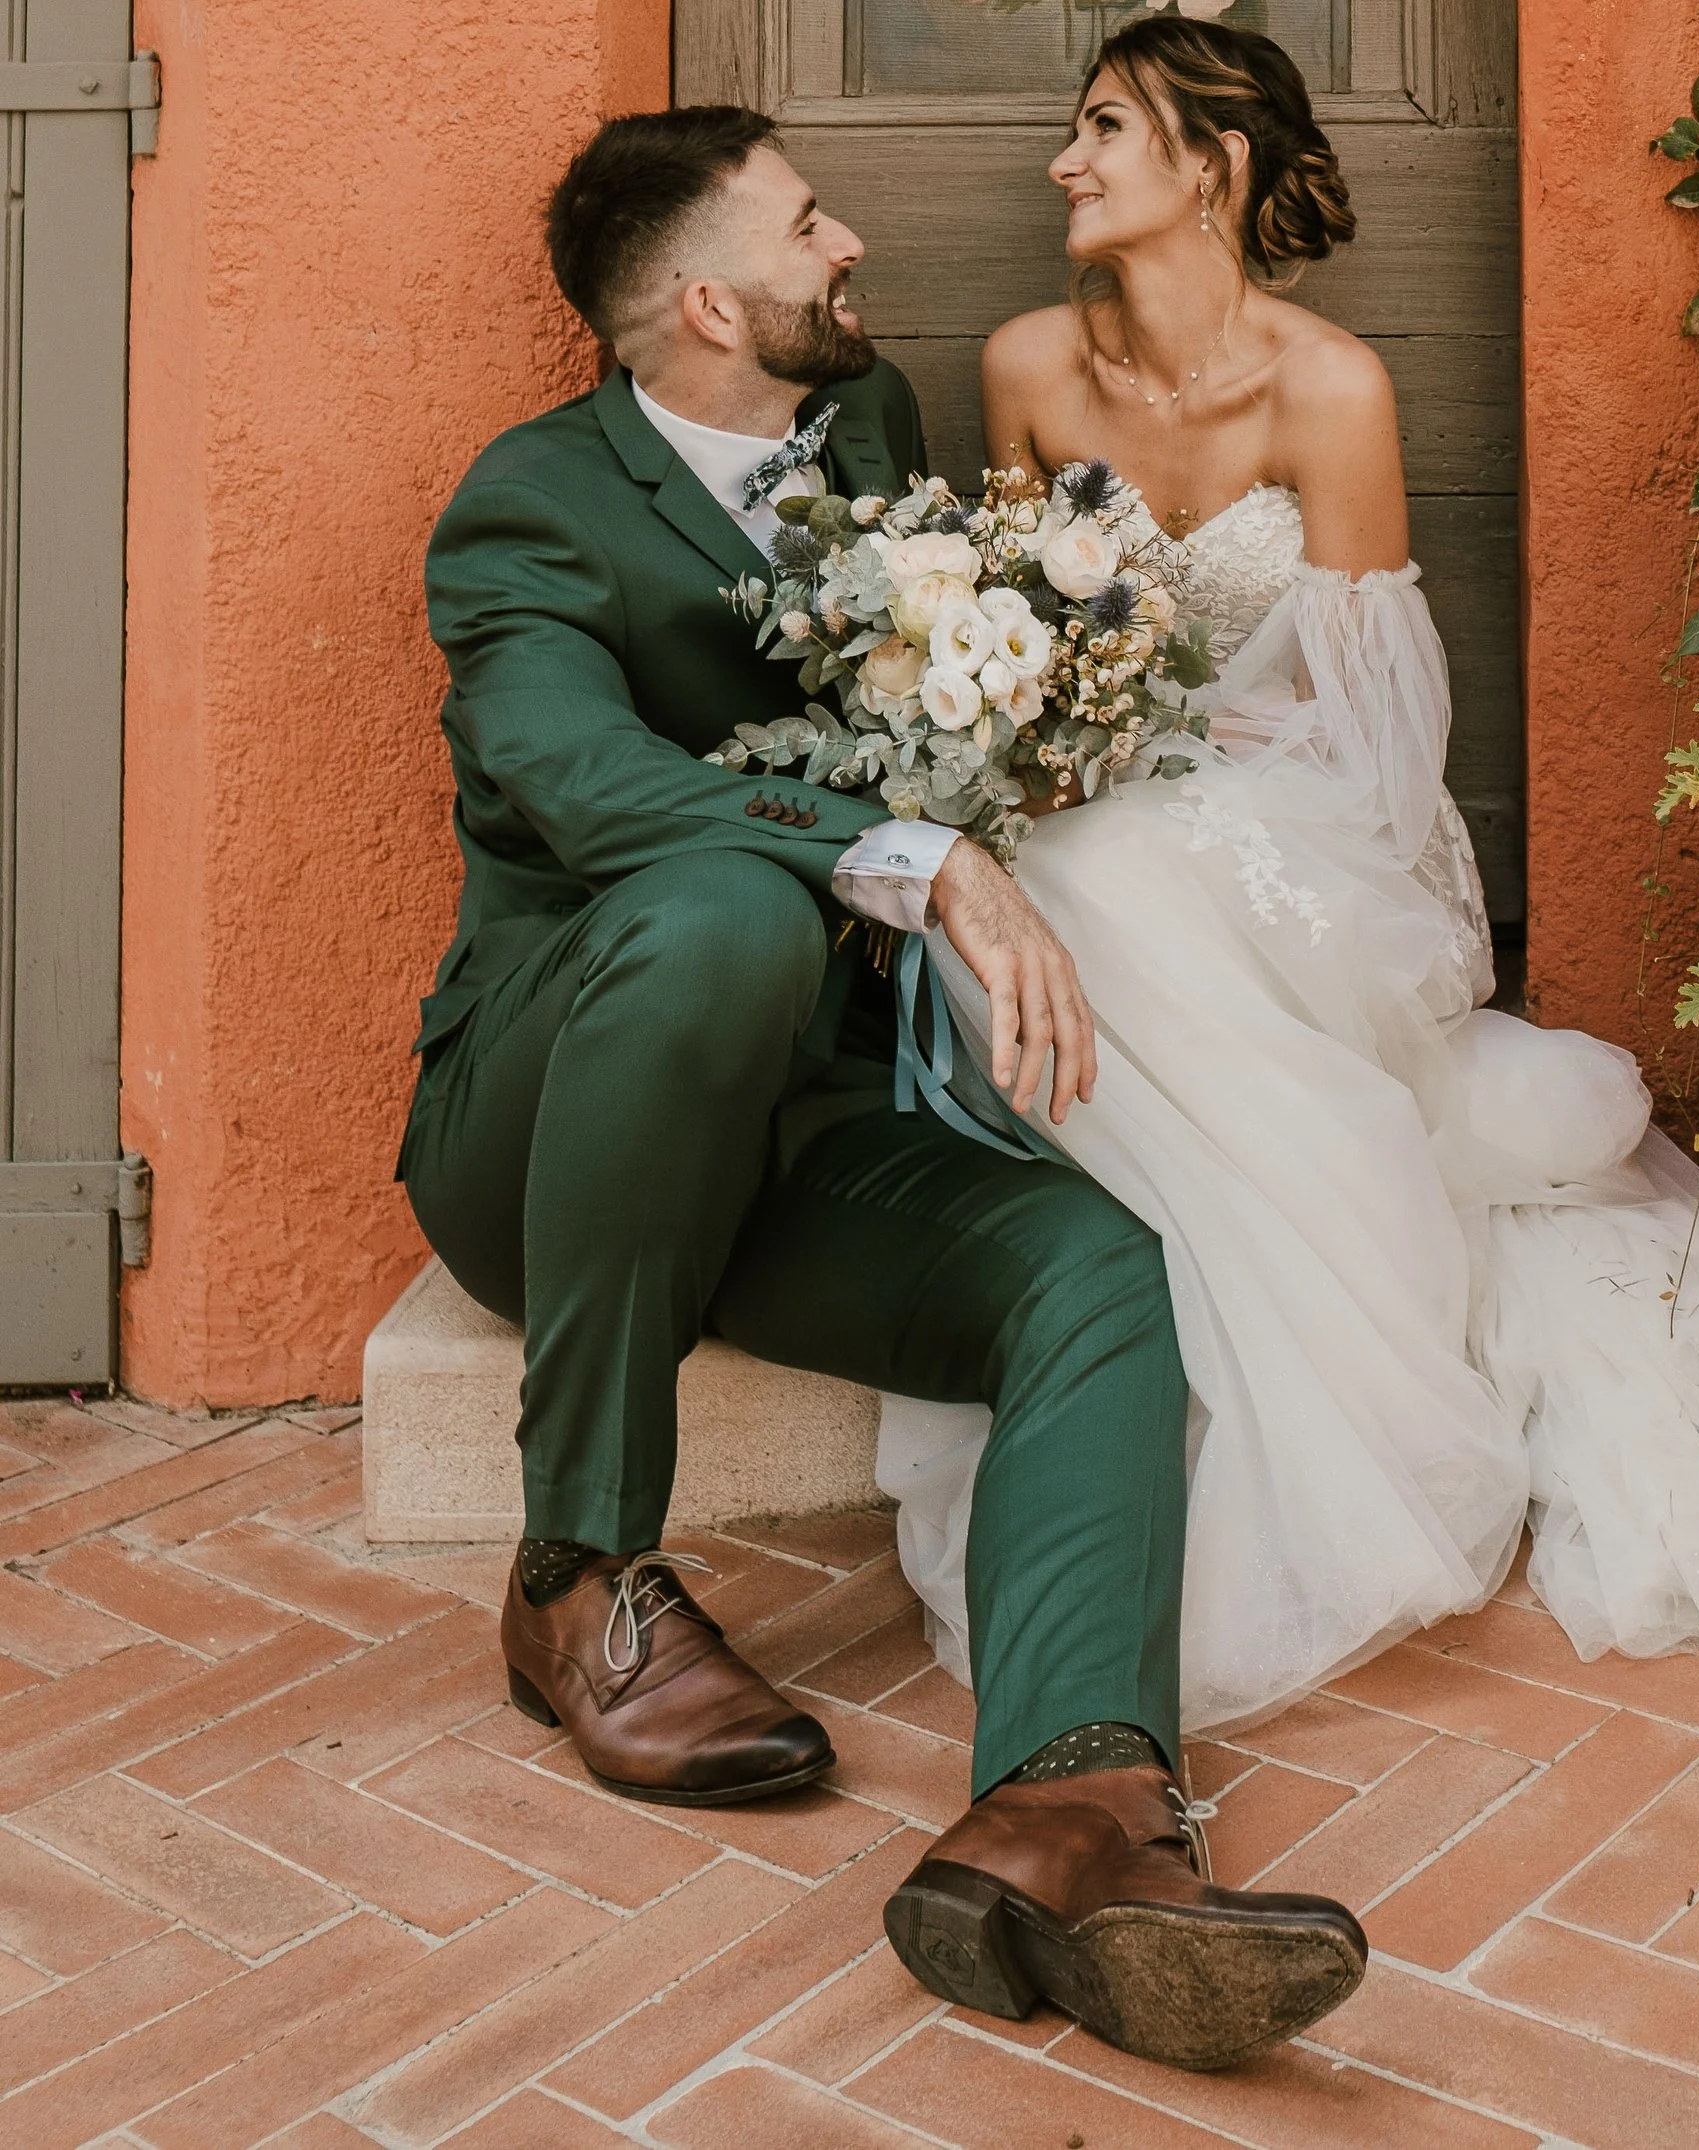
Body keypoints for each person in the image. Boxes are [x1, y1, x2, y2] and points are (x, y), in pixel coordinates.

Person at [399, 105, 1368, 2072]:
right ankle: (577, 1577)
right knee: (719, 913)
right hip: (549, 1121)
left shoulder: (865, 424)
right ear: (706, 302)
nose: (847, 243)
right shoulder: (529, 508)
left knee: (1098, 1268)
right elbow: (584, 788)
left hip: (799, 1135)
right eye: (804, 223)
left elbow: (931, 695)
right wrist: (910, 861)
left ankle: (1073, 1808)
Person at [879, 17, 1699, 1727]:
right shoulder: (1030, 365)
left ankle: (1331, 1360)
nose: (1066, 160)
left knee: (1130, 881)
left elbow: (1374, 722)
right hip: (1082, 799)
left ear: (1212, 163)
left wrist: (1198, 765)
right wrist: (1056, 741)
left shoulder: (1332, 388)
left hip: (1289, 817)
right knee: (1082, 873)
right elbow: (1010, 640)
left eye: (1104, 126)